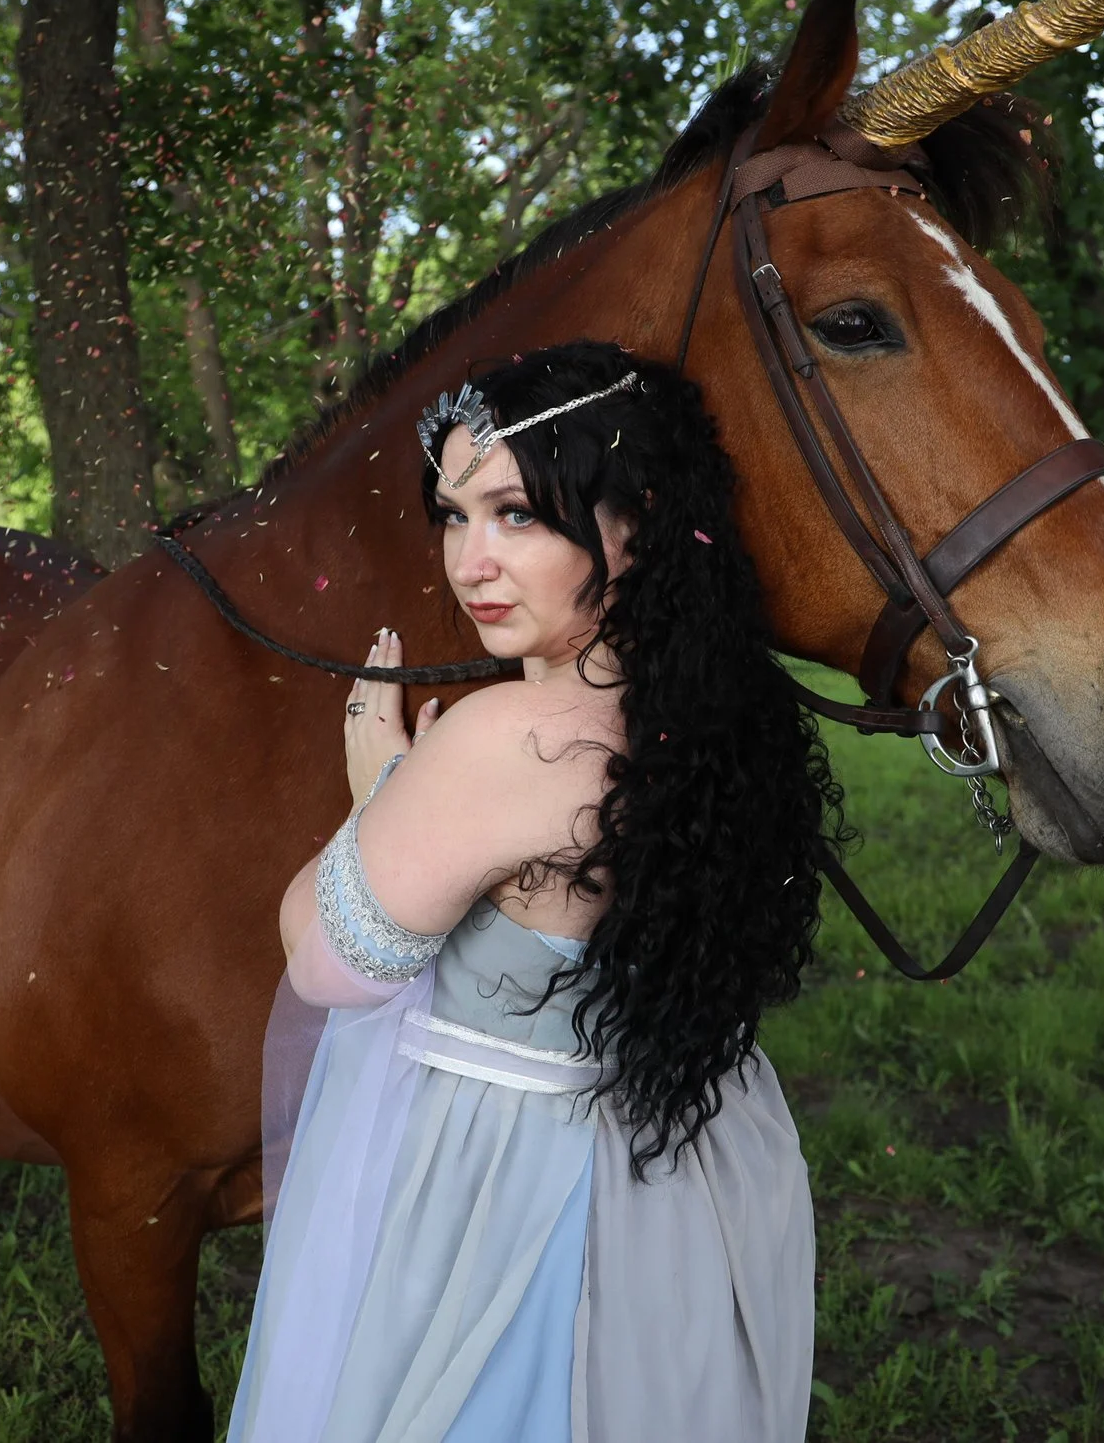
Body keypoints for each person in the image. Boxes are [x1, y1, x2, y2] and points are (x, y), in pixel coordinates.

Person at [228, 342, 845, 1443]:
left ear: (635, 522)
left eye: (515, 513)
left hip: (512, 1191)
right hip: (696, 1168)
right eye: (455, 515)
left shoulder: (508, 738)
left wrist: (382, 790)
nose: (470, 560)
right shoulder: (728, 713)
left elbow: (325, 964)